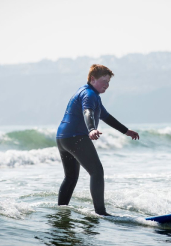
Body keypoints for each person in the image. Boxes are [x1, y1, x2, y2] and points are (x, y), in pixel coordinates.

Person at [56, 64, 139, 216]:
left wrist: (126, 131)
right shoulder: (90, 95)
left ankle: (61, 211)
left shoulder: (87, 92)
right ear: (93, 79)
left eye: (109, 82)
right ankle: (101, 212)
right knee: (97, 172)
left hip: (63, 139)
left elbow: (106, 117)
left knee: (71, 177)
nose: (107, 85)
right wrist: (91, 129)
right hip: (76, 137)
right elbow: (87, 112)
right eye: (104, 81)